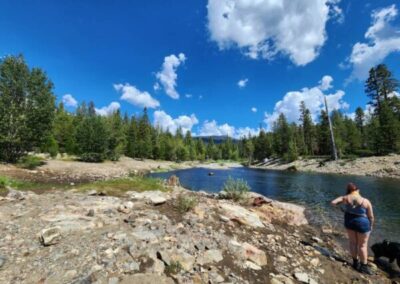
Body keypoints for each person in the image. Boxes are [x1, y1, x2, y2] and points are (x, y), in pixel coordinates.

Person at [331, 182, 374, 275]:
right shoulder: (365, 201)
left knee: (353, 243)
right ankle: (364, 267)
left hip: (349, 221)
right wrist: (371, 225)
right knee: (362, 245)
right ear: (358, 190)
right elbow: (371, 216)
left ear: (349, 191)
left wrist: (342, 210)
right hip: (362, 223)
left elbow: (333, 203)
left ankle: (355, 263)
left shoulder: (345, 198)